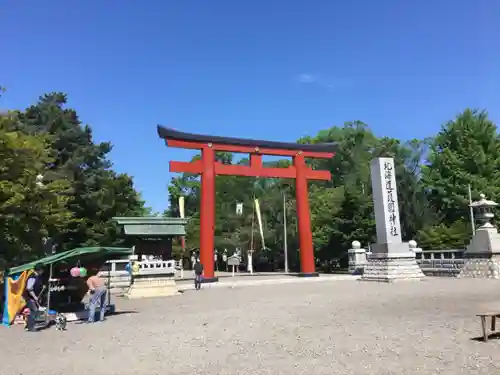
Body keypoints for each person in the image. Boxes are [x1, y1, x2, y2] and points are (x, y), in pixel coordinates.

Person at [23, 262, 45, 332]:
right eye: (42, 269)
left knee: (34, 311)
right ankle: (31, 327)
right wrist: (35, 297)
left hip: (34, 297)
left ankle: (29, 325)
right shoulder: (32, 277)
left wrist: (42, 287)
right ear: (39, 270)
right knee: (34, 310)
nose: (43, 271)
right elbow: (29, 288)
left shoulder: (38, 277)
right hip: (30, 297)